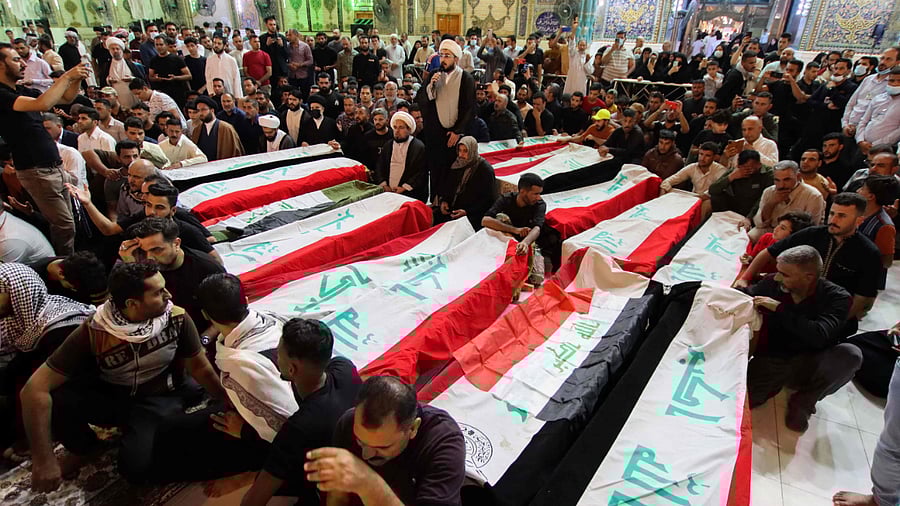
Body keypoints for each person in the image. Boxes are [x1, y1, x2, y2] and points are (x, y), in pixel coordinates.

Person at [21, 261, 229, 491]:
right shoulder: (95, 329)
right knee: (57, 394)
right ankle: (85, 448)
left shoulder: (176, 317)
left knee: (135, 469)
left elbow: (200, 368)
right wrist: (44, 461)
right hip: (115, 397)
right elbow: (33, 389)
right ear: (132, 304)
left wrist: (226, 399)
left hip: (158, 398)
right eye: (159, 292)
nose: (168, 295)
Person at [240, 317, 361, 506]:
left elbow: (254, 500)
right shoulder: (344, 367)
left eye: (278, 354)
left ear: (292, 368)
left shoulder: (298, 428)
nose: (275, 357)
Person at [744, 245, 858, 432]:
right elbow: (746, 295)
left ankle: (804, 401)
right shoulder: (773, 282)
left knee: (851, 354)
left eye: (785, 275)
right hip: (773, 357)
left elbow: (820, 334)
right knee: (744, 400)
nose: (778, 277)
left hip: (809, 359)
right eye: (778, 272)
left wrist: (779, 309)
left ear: (809, 277)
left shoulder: (837, 298)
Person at [304, 376, 465, 505]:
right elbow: (338, 497)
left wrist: (368, 483)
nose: (366, 455)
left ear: (413, 429)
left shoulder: (443, 443)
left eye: (383, 447)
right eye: (360, 441)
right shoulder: (348, 423)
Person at [738, 192, 881, 336]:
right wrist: (745, 278)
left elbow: (862, 298)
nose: (833, 219)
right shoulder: (813, 234)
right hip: (796, 301)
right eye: (832, 213)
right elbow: (769, 252)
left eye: (842, 216)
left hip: (833, 309)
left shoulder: (869, 252)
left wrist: (837, 321)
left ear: (859, 221)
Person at [0, 44, 89, 255]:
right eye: (15, 60)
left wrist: (76, 79)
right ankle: (64, 265)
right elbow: (43, 103)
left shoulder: (22, 90)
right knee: (64, 224)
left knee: (70, 220)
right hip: (35, 169)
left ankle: (72, 258)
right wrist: (67, 76)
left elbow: (66, 98)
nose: (22, 63)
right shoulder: (2, 96)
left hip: (53, 166)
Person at [119, 217, 225, 335]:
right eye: (144, 251)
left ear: (176, 243)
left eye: (157, 250)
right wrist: (131, 265)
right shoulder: (143, 266)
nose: (150, 257)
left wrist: (203, 340)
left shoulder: (206, 268)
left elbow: (227, 314)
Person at [418, 38, 476, 197]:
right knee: (436, 170)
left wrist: (458, 131)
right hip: (436, 134)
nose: (443, 59)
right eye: (441, 55)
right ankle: (436, 202)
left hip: (454, 134)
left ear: (456, 59)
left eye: (447, 56)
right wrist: (431, 87)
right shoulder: (433, 75)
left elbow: (470, 108)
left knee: (453, 172)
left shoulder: (466, 78)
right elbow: (423, 100)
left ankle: (449, 202)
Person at [483, 173, 561, 269]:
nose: (538, 197)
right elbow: (485, 221)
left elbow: (537, 228)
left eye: (539, 194)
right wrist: (515, 230)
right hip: (505, 241)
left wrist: (525, 243)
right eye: (535, 194)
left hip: (531, 243)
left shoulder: (539, 204)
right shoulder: (506, 199)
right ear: (523, 191)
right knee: (500, 218)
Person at [750, 160, 825, 242]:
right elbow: (759, 224)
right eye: (777, 180)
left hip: (796, 235)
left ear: (798, 176)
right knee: (750, 236)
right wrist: (771, 203)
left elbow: (810, 229)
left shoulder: (813, 196)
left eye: (786, 180)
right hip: (772, 229)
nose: (781, 185)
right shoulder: (769, 191)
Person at [434, 136, 498, 229]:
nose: (461, 154)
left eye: (465, 151)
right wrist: (444, 201)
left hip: (473, 213)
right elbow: (449, 186)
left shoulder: (484, 169)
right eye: (460, 150)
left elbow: (487, 200)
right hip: (454, 209)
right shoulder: (457, 164)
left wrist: (467, 212)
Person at [375, 111, 427, 202]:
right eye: (395, 127)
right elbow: (380, 166)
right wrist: (384, 185)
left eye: (401, 127)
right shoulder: (388, 145)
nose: (397, 131)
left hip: (409, 194)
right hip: (388, 192)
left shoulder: (418, 147)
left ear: (409, 129)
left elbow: (420, 172)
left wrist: (404, 188)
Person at [742, 211, 814, 274]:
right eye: (778, 225)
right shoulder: (767, 237)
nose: (776, 229)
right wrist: (747, 258)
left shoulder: (793, 255)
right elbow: (752, 258)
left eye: (782, 228)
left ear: (794, 236)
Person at [709, 149, 774, 217]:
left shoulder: (768, 174)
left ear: (759, 165)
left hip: (754, 207)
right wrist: (731, 177)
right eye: (742, 167)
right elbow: (712, 190)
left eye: (748, 168)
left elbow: (763, 199)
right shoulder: (737, 170)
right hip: (735, 205)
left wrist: (749, 217)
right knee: (716, 197)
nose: (744, 170)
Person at [30, 250, 108, 305]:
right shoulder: (33, 279)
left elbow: (100, 304)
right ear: (61, 275)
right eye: (73, 288)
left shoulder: (89, 272)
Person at [854, 66, 900, 155]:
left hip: (885, 150)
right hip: (862, 145)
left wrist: (876, 145)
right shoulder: (878, 98)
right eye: (891, 81)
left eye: (899, 81)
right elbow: (864, 120)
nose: (894, 84)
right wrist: (860, 140)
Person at [858, 174, 899, 269]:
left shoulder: (885, 226)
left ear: (871, 196)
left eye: (862, 189)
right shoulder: (857, 213)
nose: (858, 191)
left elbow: (886, 262)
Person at [190, 95, 244, 160]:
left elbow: (235, 152)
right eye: (198, 110)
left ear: (212, 110)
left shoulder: (226, 128)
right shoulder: (197, 130)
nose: (201, 113)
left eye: (203, 109)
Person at [206, 35, 243, 99]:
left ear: (225, 46)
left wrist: (237, 96)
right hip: (215, 94)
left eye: (219, 43)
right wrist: (210, 92)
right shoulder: (209, 60)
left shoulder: (231, 60)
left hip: (230, 93)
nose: (216, 46)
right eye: (214, 43)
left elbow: (236, 79)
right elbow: (208, 77)